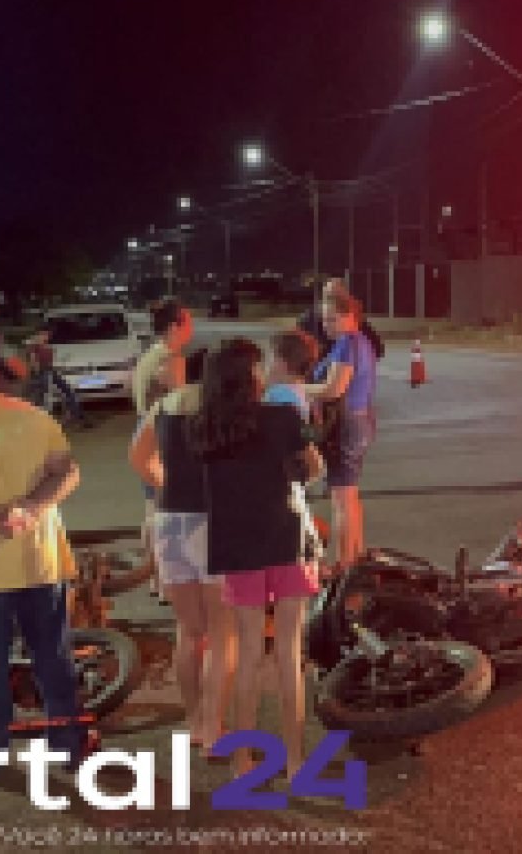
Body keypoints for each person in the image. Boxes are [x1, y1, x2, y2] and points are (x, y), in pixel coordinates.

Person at [187, 339, 323, 778]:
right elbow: (313, 466)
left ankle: (243, 761)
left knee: (247, 654)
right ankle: (296, 759)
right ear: (250, 376)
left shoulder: (203, 427)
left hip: (236, 547)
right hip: (286, 540)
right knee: (287, 652)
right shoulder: (280, 417)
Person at [0, 357, 95, 768]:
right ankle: (67, 742)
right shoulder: (38, 418)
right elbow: (67, 472)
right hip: (39, 560)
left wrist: (1, 514)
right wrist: (29, 508)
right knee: (53, 655)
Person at [128, 348, 235, 756]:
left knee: (189, 633)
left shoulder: (163, 407)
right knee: (221, 634)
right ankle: (214, 729)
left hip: (169, 521)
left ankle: (193, 722)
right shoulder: (221, 409)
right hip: (214, 523)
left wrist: (163, 484)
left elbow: (138, 458)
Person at [307, 291, 377, 570]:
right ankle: (356, 560)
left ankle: (345, 565)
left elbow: (335, 387)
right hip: (360, 420)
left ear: (350, 317)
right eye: (324, 321)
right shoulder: (360, 342)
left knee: (341, 499)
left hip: (346, 424)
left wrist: (298, 388)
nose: (327, 326)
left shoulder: (347, 344)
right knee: (349, 496)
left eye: (333, 320)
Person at [132, 298, 193, 595]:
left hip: (143, 432)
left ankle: (154, 579)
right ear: (174, 326)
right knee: (163, 512)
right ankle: (162, 580)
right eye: (188, 322)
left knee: (151, 511)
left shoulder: (149, 355)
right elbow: (179, 402)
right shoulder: (171, 359)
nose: (190, 328)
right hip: (161, 437)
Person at [299, 279, 385, 361]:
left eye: (337, 297)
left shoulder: (355, 325)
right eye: (328, 296)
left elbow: (377, 349)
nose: (326, 325)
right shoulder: (308, 320)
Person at [24, 327, 88, 427]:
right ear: (38, 334)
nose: (46, 337)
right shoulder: (33, 347)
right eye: (44, 335)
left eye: (48, 335)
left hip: (50, 372)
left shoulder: (43, 346)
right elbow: (33, 363)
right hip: (43, 374)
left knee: (68, 393)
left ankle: (77, 417)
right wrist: (37, 371)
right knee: (45, 399)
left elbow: (48, 361)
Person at [264, 329, 320, 421]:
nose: (267, 365)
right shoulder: (304, 393)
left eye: (271, 357)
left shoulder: (276, 394)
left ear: (282, 363)